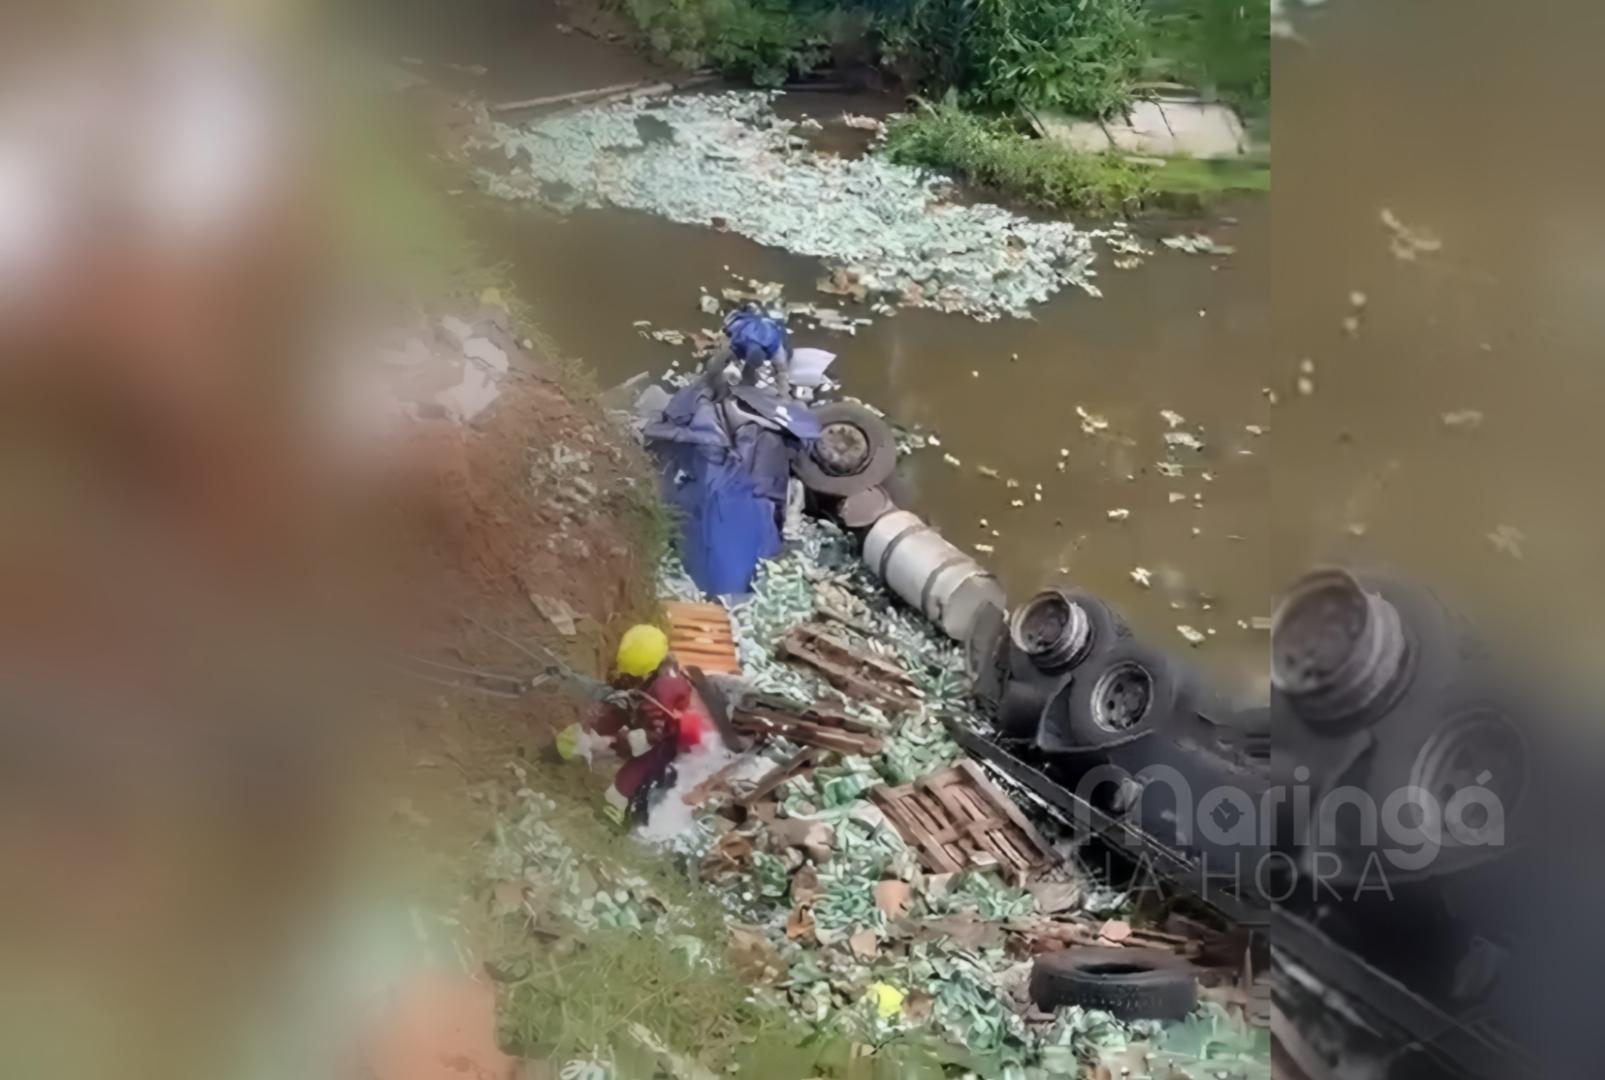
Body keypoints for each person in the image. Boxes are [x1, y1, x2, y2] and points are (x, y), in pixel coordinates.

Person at [567, 624, 711, 825]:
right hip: (662, 728)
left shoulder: (662, 696)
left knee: (630, 779)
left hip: (674, 747)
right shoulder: (664, 673)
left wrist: (614, 741)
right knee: (614, 720)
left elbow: (648, 740)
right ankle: (577, 745)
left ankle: (618, 811)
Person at [702, 307, 792, 398]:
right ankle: (784, 392)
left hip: (765, 346)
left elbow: (752, 355)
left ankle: (783, 393)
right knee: (781, 370)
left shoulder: (742, 330)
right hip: (772, 343)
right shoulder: (755, 322)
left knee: (778, 371)